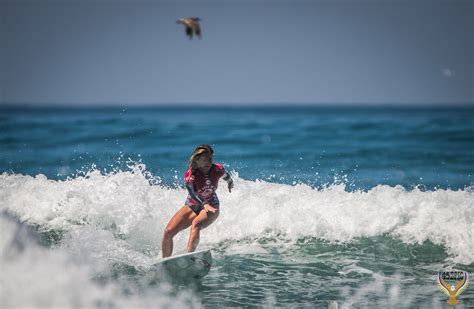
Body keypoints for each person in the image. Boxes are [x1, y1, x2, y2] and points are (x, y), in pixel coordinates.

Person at [161, 144, 233, 258]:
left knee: (196, 224)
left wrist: (230, 183)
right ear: (197, 160)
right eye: (205, 160)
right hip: (193, 205)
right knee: (168, 232)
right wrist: (204, 204)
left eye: (210, 159)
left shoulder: (217, 169)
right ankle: (165, 263)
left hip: (212, 205)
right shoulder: (191, 174)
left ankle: (189, 258)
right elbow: (192, 193)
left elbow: (226, 176)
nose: (208, 163)